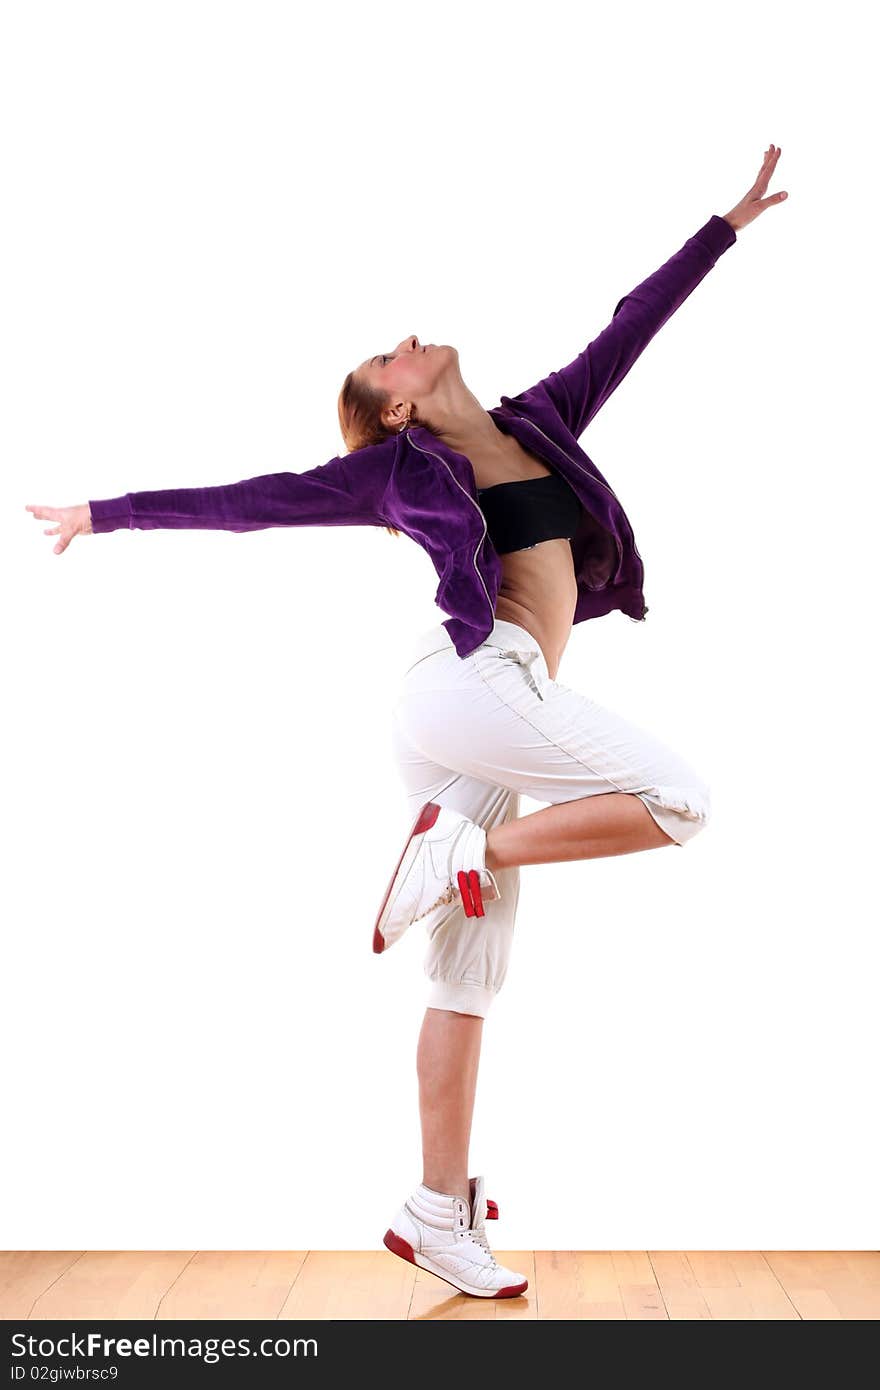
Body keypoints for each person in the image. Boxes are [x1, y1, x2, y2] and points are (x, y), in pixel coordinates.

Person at [26, 145, 787, 1302]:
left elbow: (630, 326)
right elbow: (248, 506)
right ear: (395, 401)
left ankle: (436, 1211)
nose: (411, 336)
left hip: (478, 712)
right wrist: (102, 513)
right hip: (473, 683)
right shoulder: (397, 469)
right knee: (681, 800)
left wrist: (722, 228)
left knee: (467, 975)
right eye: (392, 353)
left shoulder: (539, 421)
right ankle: (460, 848)